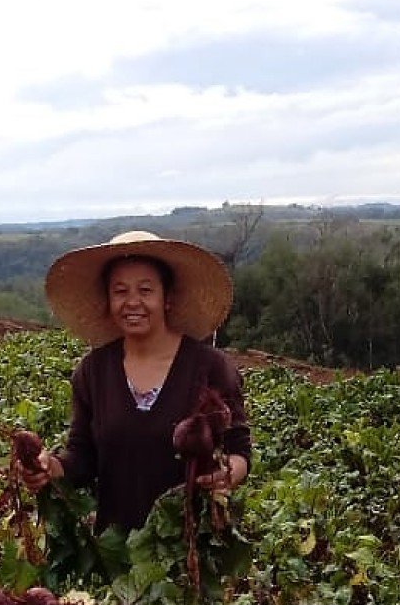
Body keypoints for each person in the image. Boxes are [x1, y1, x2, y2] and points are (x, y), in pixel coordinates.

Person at [19, 230, 251, 538]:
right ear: (108, 299)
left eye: (145, 290)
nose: (132, 302)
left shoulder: (210, 368)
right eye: (120, 291)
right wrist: (50, 468)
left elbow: (240, 450)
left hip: (191, 546)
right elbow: (82, 458)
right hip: (117, 550)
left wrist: (228, 473)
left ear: (167, 298)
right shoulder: (92, 372)